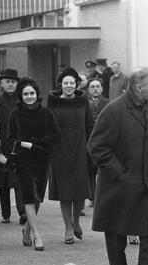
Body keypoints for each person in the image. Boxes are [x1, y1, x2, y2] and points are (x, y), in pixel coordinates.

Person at [88, 66, 148, 265]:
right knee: (117, 235)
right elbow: (97, 148)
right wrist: (121, 174)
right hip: (119, 186)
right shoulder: (113, 110)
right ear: (138, 87)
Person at [7, 78, 61, 251]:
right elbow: (10, 138)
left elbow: (55, 135)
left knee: (37, 198)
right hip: (24, 161)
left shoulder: (46, 113)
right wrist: (25, 144)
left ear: (37, 94)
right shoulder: (15, 114)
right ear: (21, 96)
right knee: (29, 198)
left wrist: (37, 144)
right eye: (25, 94)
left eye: (31, 93)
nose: (29, 96)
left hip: (43, 159)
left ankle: (27, 230)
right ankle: (37, 235)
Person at [47, 67, 94, 244]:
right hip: (60, 152)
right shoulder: (53, 102)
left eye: (72, 83)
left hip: (81, 151)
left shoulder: (83, 101)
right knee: (65, 191)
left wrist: (91, 147)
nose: (68, 86)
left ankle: (76, 222)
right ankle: (68, 227)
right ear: (61, 84)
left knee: (79, 191)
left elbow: (90, 126)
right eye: (65, 83)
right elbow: (48, 126)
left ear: (76, 84)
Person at [0, 69, 26, 224]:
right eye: (7, 81)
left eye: (13, 82)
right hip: (1, 145)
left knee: (19, 179)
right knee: (3, 181)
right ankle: (6, 213)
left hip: (17, 143)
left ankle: (22, 212)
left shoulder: (21, 100)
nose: (10, 84)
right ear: (2, 83)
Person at [86, 78, 110, 208]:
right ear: (89, 90)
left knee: (103, 169)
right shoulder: (84, 104)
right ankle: (92, 197)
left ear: (101, 88)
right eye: (92, 86)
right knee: (90, 171)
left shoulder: (109, 103)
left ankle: (103, 195)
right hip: (89, 140)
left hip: (104, 140)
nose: (95, 89)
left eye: (98, 86)